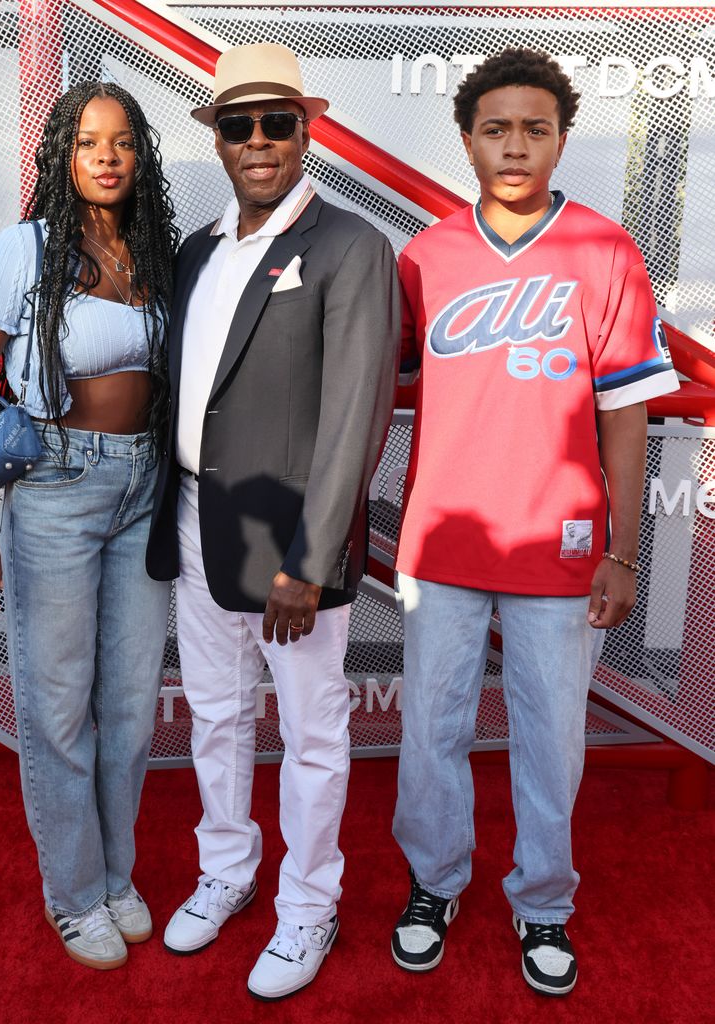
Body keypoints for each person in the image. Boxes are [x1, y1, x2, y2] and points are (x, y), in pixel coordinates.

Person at [390, 48, 679, 996]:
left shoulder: (604, 250)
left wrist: (621, 548)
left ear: (561, 137)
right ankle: (433, 884)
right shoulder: (426, 255)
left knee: (549, 735)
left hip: (560, 542)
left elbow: (626, 413)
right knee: (431, 728)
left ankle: (543, 901)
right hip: (446, 539)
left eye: (536, 128)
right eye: (497, 127)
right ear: (466, 137)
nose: (516, 145)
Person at [146, 43, 400, 1001]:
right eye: (238, 123)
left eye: (277, 122)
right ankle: (228, 869)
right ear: (215, 137)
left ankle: (309, 904)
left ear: (308, 128)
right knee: (214, 717)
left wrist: (313, 555)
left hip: (293, 546)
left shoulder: (351, 246)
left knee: (312, 731)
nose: (259, 141)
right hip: (192, 519)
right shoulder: (197, 252)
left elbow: (356, 416)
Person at [0, 81, 180, 971]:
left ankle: (116, 877)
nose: (106, 157)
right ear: (62, 155)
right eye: (88, 142)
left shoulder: (154, 253)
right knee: (56, 704)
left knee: (126, 705)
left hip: (145, 487)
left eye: (120, 142)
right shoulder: (26, 248)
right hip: (55, 487)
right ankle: (74, 894)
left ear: (139, 153)